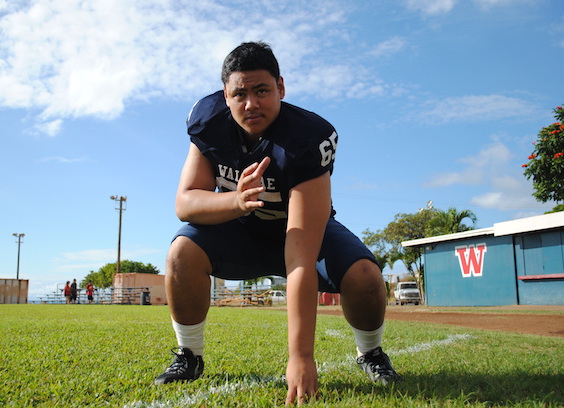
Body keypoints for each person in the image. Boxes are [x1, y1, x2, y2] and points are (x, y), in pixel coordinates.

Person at [154, 41, 401, 405]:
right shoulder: (208, 123)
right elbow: (186, 202)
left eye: (261, 91)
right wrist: (236, 201)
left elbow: (301, 256)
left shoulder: (306, 137)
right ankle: (188, 355)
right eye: (240, 93)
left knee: (365, 276)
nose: (250, 103)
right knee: (181, 253)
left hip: (300, 233)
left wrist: (300, 357)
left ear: (281, 88)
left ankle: (371, 353)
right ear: (225, 96)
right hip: (240, 230)